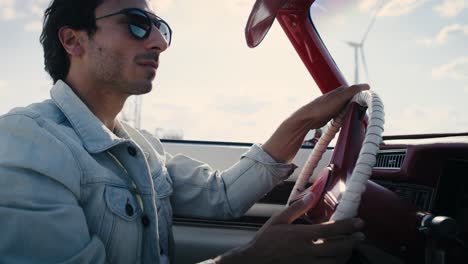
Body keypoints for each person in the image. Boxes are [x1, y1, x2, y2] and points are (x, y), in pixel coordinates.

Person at [0, 0, 369, 263]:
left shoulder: (140, 147)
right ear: (73, 41)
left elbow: (221, 196)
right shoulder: (26, 141)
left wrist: (301, 122)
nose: (158, 41)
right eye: (136, 23)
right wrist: (250, 259)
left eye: (161, 28)